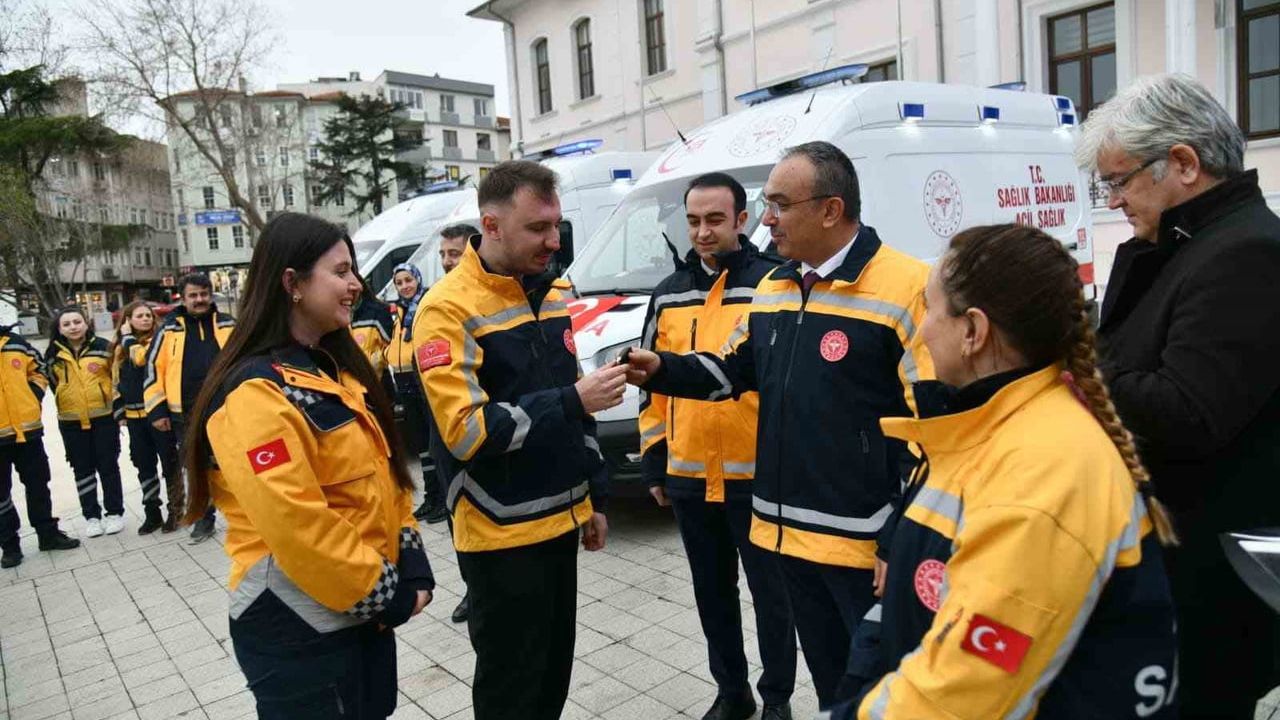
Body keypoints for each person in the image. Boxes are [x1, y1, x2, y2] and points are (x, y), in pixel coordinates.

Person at [824, 224, 1179, 718]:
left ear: (973, 331)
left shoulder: (1044, 470)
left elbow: (962, 694)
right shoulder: (982, 425)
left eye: (929, 309)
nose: (921, 331)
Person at [624, 141, 932, 709]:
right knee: (833, 689)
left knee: (883, 693)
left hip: (864, 547)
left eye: (780, 205)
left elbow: (931, 429)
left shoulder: (907, 287)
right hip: (785, 535)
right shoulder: (775, 290)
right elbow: (732, 371)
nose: (767, 220)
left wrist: (900, 538)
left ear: (830, 210)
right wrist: (663, 369)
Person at [1076, 73, 1280, 717]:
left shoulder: (1246, 252)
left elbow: (1188, 412)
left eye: (1119, 181)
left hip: (1209, 583)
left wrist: (1079, 369)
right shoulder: (1180, 243)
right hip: (1173, 564)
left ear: (1185, 164)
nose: (1113, 200)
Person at [182, 212, 435, 719]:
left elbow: (385, 481)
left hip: (356, 614)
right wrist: (385, 593)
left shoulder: (333, 371)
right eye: (340, 272)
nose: (355, 284)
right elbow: (296, 522)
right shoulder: (255, 392)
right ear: (292, 283)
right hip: (296, 626)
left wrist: (410, 559)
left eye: (353, 270)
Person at [416, 161, 622, 720]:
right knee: (512, 692)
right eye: (538, 228)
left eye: (556, 224)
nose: (554, 240)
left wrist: (594, 495)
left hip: (562, 521)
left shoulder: (553, 290)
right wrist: (572, 400)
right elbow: (466, 431)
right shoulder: (446, 308)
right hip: (500, 534)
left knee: (552, 680)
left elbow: (575, 408)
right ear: (492, 225)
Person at [639, 172, 796, 720]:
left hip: (758, 475)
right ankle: (732, 693)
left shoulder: (773, 283)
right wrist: (655, 457)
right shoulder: (667, 294)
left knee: (773, 598)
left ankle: (777, 698)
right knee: (712, 596)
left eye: (714, 220)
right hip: (689, 476)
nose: (703, 232)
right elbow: (650, 386)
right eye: (693, 221)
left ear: (741, 220)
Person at [144, 273, 235, 543]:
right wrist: (157, 410)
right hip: (185, 413)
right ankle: (204, 520)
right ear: (182, 299)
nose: (199, 300)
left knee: (235, 463)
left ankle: (244, 514)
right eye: (193, 295)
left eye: (204, 294)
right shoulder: (169, 330)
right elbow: (153, 370)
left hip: (228, 409)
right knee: (197, 467)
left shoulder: (229, 324)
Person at [424, 222, 478, 623]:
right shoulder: (437, 302)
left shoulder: (477, 303)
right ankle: (471, 588)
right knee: (455, 512)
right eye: (443, 254)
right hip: (442, 430)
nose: (446, 261)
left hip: (476, 431)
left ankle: (481, 587)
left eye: (454, 253)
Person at [0, 323, 79, 568]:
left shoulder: (16, 343)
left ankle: (48, 534)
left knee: (38, 485)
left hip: (28, 432)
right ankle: (10, 546)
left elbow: (40, 369)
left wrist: (32, 397)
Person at [46, 306, 125, 538]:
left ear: (86, 323)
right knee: (82, 469)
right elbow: (53, 384)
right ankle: (92, 517)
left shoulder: (103, 348)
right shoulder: (53, 354)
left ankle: (114, 513)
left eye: (77, 322)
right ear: (59, 328)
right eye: (67, 324)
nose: (73, 327)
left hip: (103, 419)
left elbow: (115, 378)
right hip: (71, 422)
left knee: (108, 466)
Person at [112, 301, 181, 535]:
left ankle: (176, 510)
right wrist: (119, 410)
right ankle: (152, 513)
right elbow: (115, 381)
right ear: (128, 320)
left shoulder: (158, 341)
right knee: (144, 465)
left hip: (158, 414)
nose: (145, 319)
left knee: (170, 463)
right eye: (139, 316)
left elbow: (141, 358)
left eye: (148, 315)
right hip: (134, 418)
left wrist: (128, 338)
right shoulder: (120, 348)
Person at [385, 262, 447, 524]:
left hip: (421, 379)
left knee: (434, 442)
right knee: (421, 445)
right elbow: (395, 344)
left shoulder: (424, 306)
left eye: (408, 280)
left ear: (417, 279)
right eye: (399, 283)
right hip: (403, 381)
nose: (404, 286)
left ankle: (443, 497)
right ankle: (432, 496)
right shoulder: (399, 312)